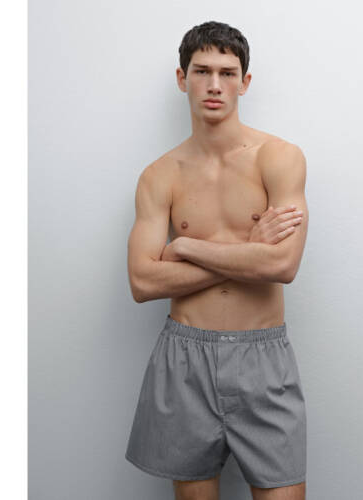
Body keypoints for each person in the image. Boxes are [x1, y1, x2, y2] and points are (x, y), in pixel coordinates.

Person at [125, 20, 309, 500]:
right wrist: (249, 247)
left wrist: (186, 247)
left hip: (262, 358)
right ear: (182, 78)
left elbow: (283, 266)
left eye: (227, 73)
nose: (214, 85)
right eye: (202, 71)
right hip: (184, 358)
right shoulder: (159, 175)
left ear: (244, 82)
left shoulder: (279, 158)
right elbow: (143, 282)